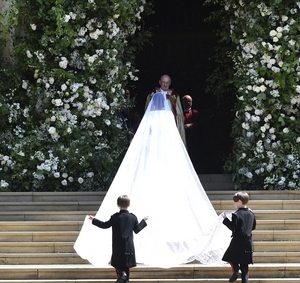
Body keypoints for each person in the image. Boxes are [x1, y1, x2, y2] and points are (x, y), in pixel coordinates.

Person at [74, 93, 230, 268]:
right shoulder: (167, 118)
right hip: (166, 162)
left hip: (149, 162)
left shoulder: (149, 119)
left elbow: (144, 142)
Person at [88, 195, 148, 283]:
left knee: (115, 263)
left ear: (117, 205)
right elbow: (137, 230)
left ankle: (121, 272)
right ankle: (123, 275)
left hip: (118, 245)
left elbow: (104, 225)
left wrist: (94, 220)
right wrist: (143, 221)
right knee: (126, 267)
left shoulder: (115, 217)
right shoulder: (133, 217)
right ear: (129, 204)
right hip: (129, 246)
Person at [222, 191, 256, 283]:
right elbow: (253, 227)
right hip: (248, 240)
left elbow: (233, 228)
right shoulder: (251, 213)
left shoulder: (236, 214)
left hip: (238, 240)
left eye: (235, 202)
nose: (234, 204)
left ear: (240, 202)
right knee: (245, 265)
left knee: (229, 257)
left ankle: (236, 270)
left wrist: (225, 220)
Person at [145, 74, 186, 144]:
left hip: (170, 126)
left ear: (170, 83)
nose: (165, 85)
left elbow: (179, 113)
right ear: (160, 82)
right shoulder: (153, 94)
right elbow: (148, 110)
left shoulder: (174, 96)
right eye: (163, 82)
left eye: (167, 83)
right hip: (156, 125)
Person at [182, 94, 203, 169]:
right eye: (186, 101)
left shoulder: (195, 113)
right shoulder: (179, 113)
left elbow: (200, 124)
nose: (188, 103)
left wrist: (191, 125)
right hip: (183, 137)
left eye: (190, 101)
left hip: (193, 137)